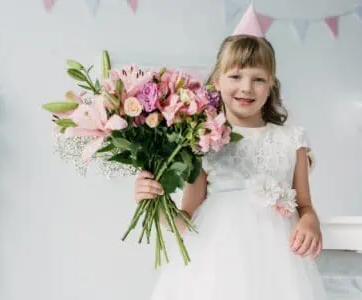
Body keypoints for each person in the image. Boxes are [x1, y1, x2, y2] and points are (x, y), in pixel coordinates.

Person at [133, 5, 327, 300]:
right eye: (236, 76)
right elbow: (187, 216)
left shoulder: (292, 140)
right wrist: (156, 206)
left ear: (271, 85)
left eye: (258, 79)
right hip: (214, 261)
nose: (246, 88)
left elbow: (305, 205)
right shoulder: (200, 141)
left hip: (278, 263)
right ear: (217, 81)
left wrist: (310, 221)